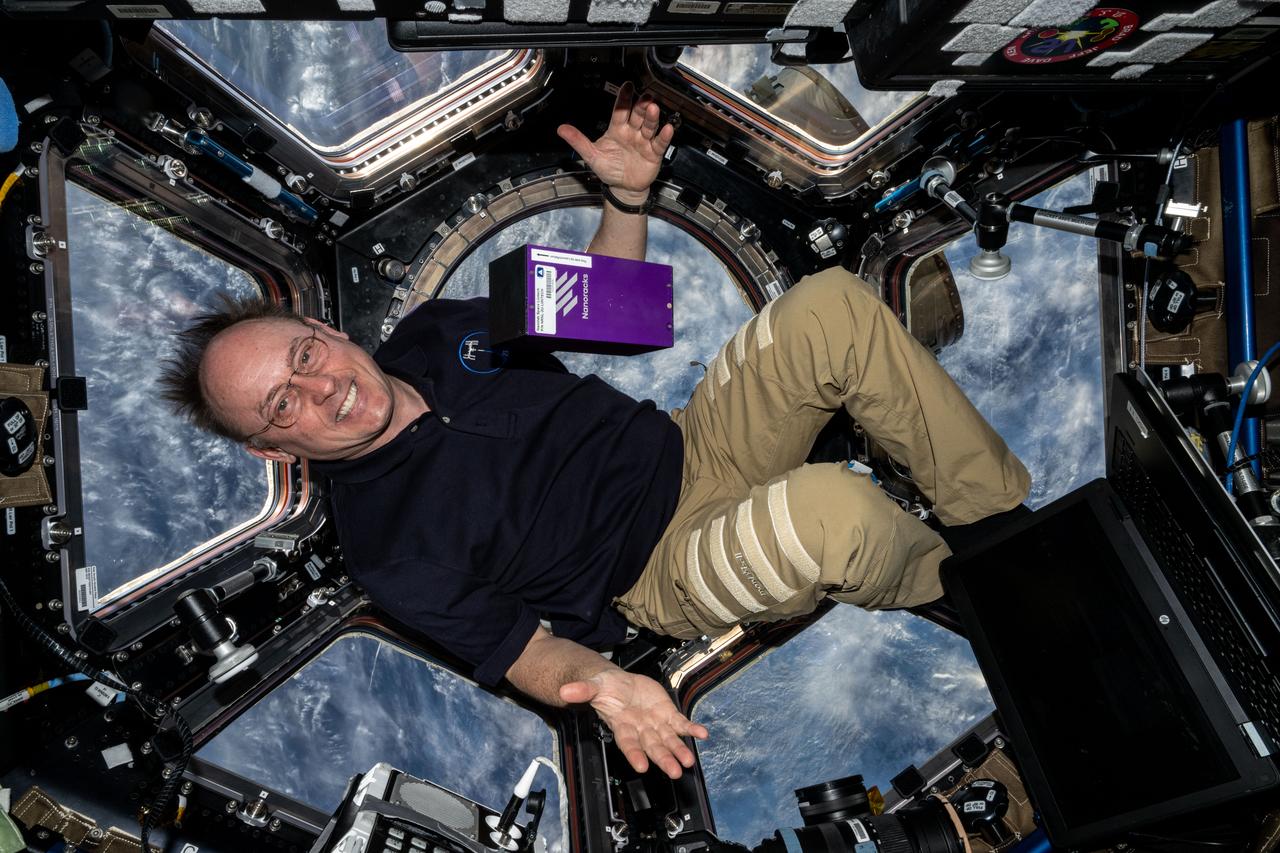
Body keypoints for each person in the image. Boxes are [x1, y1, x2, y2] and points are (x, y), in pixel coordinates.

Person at [161, 83, 1030, 782]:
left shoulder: (431, 329)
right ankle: (983, 595)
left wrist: (625, 196)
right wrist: (611, 685)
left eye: (305, 354)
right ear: (274, 449)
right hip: (661, 567)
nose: (321, 388)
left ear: (334, 333)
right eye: (282, 404)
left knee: (830, 304)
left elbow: (608, 304)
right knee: (834, 510)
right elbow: (526, 651)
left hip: (696, 442)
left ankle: (1012, 534)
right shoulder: (385, 549)